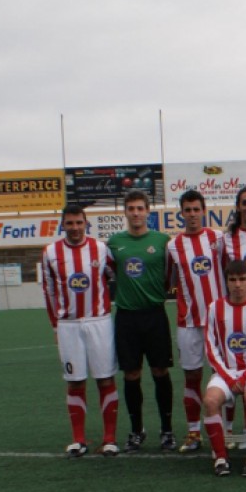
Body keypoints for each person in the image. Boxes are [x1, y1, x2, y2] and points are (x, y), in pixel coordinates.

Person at [41, 203, 120, 457]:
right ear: (62, 225)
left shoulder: (101, 248)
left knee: (105, 378)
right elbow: (49, 292)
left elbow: (115, 275)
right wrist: (55, 325)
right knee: (75, 381)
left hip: (99, 321)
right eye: (70, 223)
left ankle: (109, 439)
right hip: (69, 325)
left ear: (86, 223)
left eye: (79, 222)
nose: (75, 228)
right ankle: (78, 440)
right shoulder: (50, 253)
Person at [106, 190, 175, 452]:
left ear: (148, 211)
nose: (135, 213)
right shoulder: (114, 243)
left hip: (155, 314)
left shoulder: (162, 241)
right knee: (131, 374)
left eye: (140, 208)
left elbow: (170, 276)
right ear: (125, 212)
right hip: (126, 317)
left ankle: (167, 430)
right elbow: (108, 273)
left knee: (160, 371)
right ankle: (136, 430)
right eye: (131, 208)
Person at [164, 189, 223, 453]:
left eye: (196, 209)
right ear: (181, 213)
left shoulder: (218, 238)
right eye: (187, 210)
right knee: (192, 376)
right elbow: (168, 280)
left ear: (203, 211)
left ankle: (226, 431)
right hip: (188, 322)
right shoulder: (173, 246)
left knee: (222, 375)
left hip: (219, 322)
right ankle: (193, 432)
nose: (192, 214)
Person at [201, 260, 246, 477]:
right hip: (226, 372)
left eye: (242, 279)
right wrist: (229, 378)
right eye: (232, 280)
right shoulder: (215, 307)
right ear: (226, 282)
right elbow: (210, 347)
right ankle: (221, 457)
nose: (237, 284)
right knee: (210, 401)